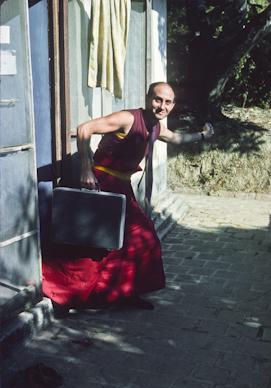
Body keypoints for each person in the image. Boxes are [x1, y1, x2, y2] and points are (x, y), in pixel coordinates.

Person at [42, 82, 214, 316]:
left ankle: (123, 291)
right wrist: (85, 168)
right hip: (102, 184)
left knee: (142, 239)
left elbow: (175, 138)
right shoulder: (128, 118)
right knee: (98, 243)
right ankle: (69, 294)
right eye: (157, 99)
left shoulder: (156, 127)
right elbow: (84, 128)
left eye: (167, 102)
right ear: (147, 99)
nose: (161, 106)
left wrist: (203, 136)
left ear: (172, 105)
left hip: (122, 187)